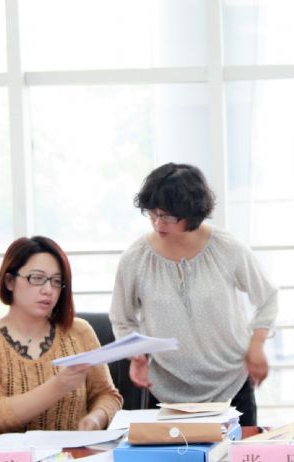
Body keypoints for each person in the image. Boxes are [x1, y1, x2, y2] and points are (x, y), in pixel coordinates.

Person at [110, 163, 278, 427]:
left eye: (167, 217)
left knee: (236, 453)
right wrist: (137, 354)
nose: (158, 223)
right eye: (152, 213)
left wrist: (256, 345)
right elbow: (122, 319)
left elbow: (267, 297)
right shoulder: (135, 258)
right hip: (165, 390)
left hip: (231, 385)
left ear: (191, 212)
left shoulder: (227, 249)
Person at [0, 236, 123, 433]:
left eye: (56, 281)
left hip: (75, 451)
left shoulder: (80, 331)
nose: (48, 290)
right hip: (13, 453)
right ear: (9, 281)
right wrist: (58, 386)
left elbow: (107, 395)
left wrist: (95, 420)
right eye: (36, 278)